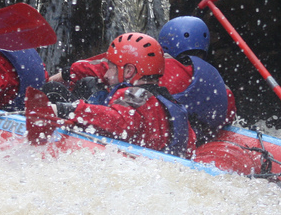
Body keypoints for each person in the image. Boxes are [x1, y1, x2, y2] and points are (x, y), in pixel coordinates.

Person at [33, 32, 195, 157]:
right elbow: (189, 146)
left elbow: (117, 121)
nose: (106, 74)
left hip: (134, 167)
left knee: (54, 89)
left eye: (110, 68)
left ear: (129, 71)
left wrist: (64, 110)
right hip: (158, 168)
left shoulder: (135, 95)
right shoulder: (173, 103)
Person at [157, 16, 237, 145]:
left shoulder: (164, 70)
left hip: (169, 144)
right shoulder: (220, 84)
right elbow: (228, 117)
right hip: (202, 143)